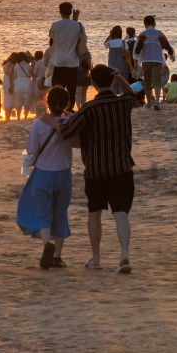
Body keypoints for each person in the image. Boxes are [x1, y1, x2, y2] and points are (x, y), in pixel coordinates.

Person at [41, 64, 140, 273]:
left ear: (92, 83)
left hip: (96, 169)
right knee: (120, 212)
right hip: (121, 166)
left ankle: (96, 258)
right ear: (112, 81)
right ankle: (124, 254)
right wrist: (122, 79)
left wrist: (51, 120)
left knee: (95, 213)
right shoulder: (123, 103)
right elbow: (135, 98)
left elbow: (67, 132)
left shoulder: (89, 108)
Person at [17, 86, 79, 269]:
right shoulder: (70, 123)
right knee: (60, 214)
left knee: (43, 212)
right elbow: (77, 143)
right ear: (67, 103)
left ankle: (46, 244)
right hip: (63, 173)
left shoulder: (38, 124)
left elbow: (31, 150)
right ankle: (58, 257)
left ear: (48, 103)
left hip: (43, 172)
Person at [49, 2, 87, 110]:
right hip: (72, 61)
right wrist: (75, 20)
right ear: (71, 12)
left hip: (58, 60)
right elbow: (83, 39)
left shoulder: (55, 25)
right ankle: (69, 109)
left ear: (59, 12)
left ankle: (56, 108)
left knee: (57, 87)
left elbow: (52, 39)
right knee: (71, 88)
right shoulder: (78, 25)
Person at [133, 16, 175, 111]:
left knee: (147, 81)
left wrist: (135, 61)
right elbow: (167, 46)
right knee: (157, 80)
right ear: (154, 24)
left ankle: (148, 103)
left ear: (144, 25)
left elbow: (137, 49)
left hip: (146, 60)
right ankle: (156, 101)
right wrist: (171, 56)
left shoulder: (143, 34)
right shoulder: (159, 33)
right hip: (157, 59)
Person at [104, 26, 129, 93]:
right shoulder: (123, 42)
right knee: (123, 83)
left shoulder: (109, 43)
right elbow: (128, 53)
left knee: (112, 84)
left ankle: (113, 99)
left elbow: (105, 43)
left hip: (111, 66)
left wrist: (110, 35)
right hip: (122, 65)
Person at [13, 52, 33, 120]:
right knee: (26, 102)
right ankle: (25, 117)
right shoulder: (29, 65)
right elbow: (30, 75)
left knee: (18, 101)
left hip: (18, 83)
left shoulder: (16, 65)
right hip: (27, 83)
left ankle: (18, 117)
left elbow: (14, 76)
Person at [2, 53, 16, 122]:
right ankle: (8, 117)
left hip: (5, 81)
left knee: (6, 99)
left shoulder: (5, 63)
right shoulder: (12, 63)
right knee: (10, 99)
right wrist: (11, 84)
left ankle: (6, 117)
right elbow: (10, 73)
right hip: (9, 81)